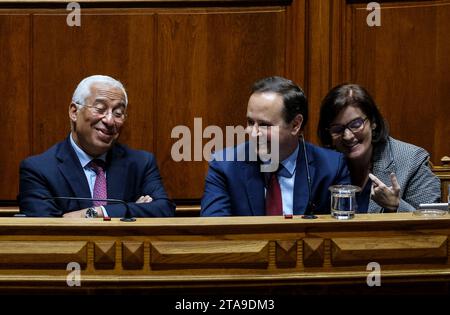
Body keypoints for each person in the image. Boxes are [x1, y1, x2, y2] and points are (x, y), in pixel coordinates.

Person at [19, 75, 175, 218]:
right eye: (100, 109)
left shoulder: (141, 163)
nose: (109, 120)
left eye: (118, 113)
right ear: (74, 112)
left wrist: (97, 212)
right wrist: (133, 209)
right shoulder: (39, 170)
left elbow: (164, 210)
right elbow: (46, 230)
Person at [201, 76, 350, 216]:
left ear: (295, 125)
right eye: (250, 122)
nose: (253, 133)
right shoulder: (224, 166)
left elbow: (342, 234)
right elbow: (213, 233)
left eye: (265, 125)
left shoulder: (331, 168)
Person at [317, 83, 441, 213]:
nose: (347, 136)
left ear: (373, 122)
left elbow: (430, 223)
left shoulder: (412, 160)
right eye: (337, 129)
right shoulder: (321, 165)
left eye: (356, 124)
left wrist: (396, 205)